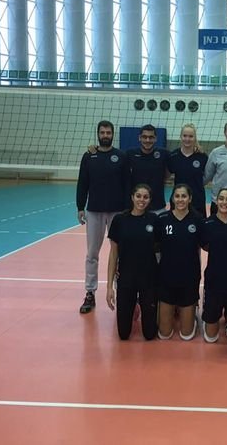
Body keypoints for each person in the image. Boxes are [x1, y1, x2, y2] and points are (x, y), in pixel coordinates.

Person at [76, 120, 129, 314]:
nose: (105, 135)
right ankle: (90, 292)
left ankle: (121, 290)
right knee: (92, 253)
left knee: (120, 253)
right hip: (94, 211)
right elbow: (83, 182)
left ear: (113, 134)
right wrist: (80, 207)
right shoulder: (89, 156)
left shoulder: (121, 156)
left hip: (118, 212)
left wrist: (127, 210)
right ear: (98, 134)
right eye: (102, 132)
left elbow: (127, 184)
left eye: (108, 132)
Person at [106, 184, 159, 340]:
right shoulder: (119, 220)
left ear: (150, 200)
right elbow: (113, 254)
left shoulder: (154, 220)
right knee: (123, 334)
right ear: (132, 197)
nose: (141, 200)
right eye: (138, 196)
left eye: (146, 197)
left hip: (148, 278)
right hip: (126, 277)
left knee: (149, 335)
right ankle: (132, 307)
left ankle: (143, 307)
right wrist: (109, 287)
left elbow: (161, 250)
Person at [155, 184, 203, 341]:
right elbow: (152, 245)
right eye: (177, 196)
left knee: (186, 335)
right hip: (166, 278)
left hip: (189, 278)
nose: (180, 199)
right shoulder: (162, 219)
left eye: (184, 196)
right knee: (164, 334)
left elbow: (209, 243)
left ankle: (191, 314)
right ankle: (172, 309)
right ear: (172, 198)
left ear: (190, 199)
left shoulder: (197, 219)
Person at [200, 188, 227, 343]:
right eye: (221, 199)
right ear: (216, 201)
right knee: (210, 338)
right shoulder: (208, 223)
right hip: (214, 280)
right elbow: (205, 245)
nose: (224, 202)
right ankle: (211, 315)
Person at [127, 124, 170, 215]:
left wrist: (194, 148)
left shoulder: (164, 154)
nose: (147, 140)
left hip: (158, 207)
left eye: (151, 137)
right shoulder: (130, 154)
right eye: (144, 137)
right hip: (137, 207)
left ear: (156, 139)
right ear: (139, 138)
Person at [168, 123, 208, 217]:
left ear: (195, 138)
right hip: (178, 200)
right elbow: (167, 174)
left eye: (190, 136)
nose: (187, 139)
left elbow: (207, 177)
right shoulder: (173, 156)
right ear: (181, 137)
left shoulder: (202, 156)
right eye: (185, 136)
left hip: (197, 200)